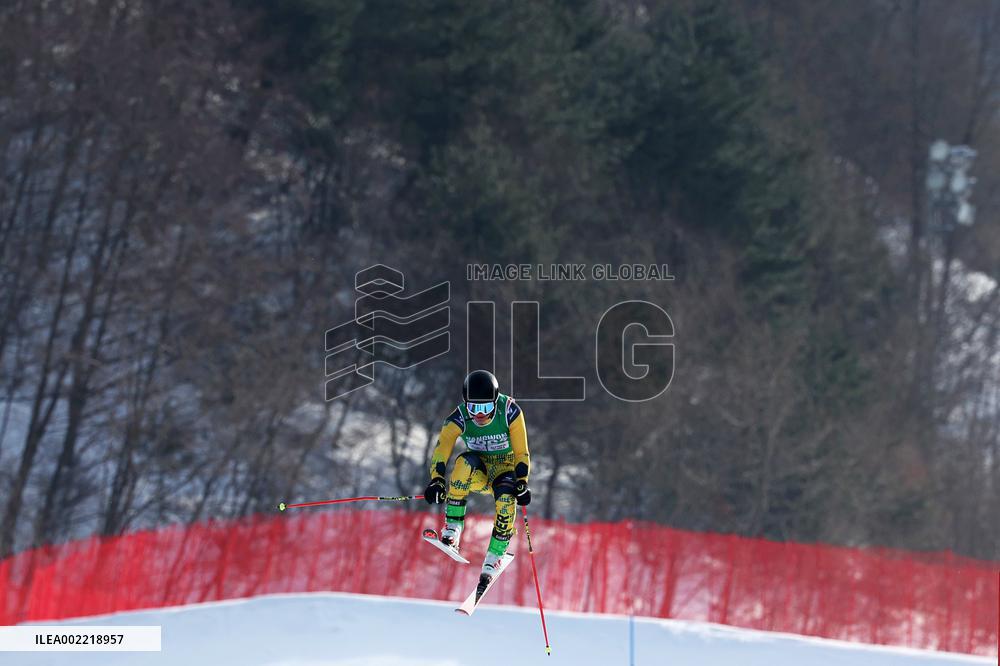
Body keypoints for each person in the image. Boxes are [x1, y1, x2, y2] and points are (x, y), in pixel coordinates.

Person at [424, 370, 531, 591]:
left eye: (485, 408)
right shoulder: (459, 418)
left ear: (496, 401)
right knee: (463, 463)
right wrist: (436, 481)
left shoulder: (510, 411)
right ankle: (452, 530)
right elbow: (441, 450)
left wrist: (522, 481)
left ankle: (494, 556)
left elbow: (522, 453)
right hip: (480, 473)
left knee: (506, 495)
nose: (480, 415)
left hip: (505, 473)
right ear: (465, 404)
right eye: (474, 408)